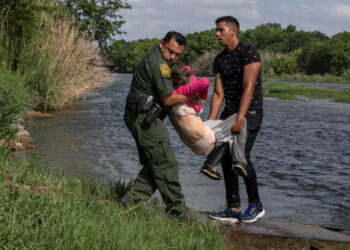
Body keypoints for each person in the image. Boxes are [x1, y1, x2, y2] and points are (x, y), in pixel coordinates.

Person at [121, 32, 197, 218]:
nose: (173, 58)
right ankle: (177, 213)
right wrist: (191, 96)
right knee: (166, 163)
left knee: (155, 164)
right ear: (162, 44)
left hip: (139, 116)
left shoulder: (155, 57)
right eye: (170, 52)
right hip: (145, 119)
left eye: (178, 55)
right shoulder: (159, 64)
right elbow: (168, 98)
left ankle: (128, 202)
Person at [207, 16, 265, 223]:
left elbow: (249, 87)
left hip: (249, 113)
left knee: (241, 157)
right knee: (225, 158)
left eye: (221, 30)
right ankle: (233, 208)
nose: (217, 34)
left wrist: (240, 118)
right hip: (228, 113)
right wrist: (210, 124)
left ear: (233, 31)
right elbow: (218, 94)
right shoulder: (220, 59)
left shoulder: (249, 52)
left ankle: (256, 205)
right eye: (217, 30)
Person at [169, 66, 248, 181]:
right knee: (240, 119)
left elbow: (187, 68)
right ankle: (240, 161)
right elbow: (205, 81)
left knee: (222, 127)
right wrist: (197, 93)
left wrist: (188, 88)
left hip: (192, 143)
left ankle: (210, 167)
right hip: (203, 140)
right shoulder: (186, 99)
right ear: (190, 87)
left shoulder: (171, 100)